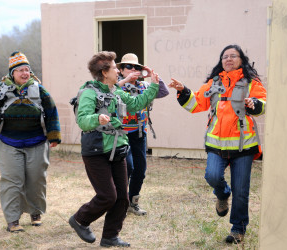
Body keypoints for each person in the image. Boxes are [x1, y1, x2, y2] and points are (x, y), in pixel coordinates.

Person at [167, 44, 267, 244]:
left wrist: (253, 104)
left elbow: (263, 104)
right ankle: (223, 194)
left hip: (243, 146)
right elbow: (196, 104)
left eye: (233, 56)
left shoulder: (251, 82)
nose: (228, 59)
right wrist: (183, 90)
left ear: (241, 60)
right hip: (217, 145)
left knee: (241, 192)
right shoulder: (214, 83)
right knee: (212, 176)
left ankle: (238, 229)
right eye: (225, 57)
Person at [68, 51, 160, 247]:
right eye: (114, 68)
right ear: (104, 72)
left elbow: (136, 104)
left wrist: (153, 84)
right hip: (96, 151)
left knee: (122, 198)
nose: (118, 71)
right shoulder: (88, 92)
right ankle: (79, 219)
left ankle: (110, 236)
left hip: (118, 149)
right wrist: (97, 118)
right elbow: (82, 120)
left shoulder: (115, 91)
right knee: (108, 196)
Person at [0, 51, 61, 233]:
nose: (24, 73)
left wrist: (54, 136)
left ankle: (35, 212)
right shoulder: (2, 91)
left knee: (36, 180)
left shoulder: (40, 90)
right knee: (11, 181)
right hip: (9, 143)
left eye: (27, 70)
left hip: (37, 142)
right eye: (20, 70)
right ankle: (12, 220)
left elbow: (52, 112)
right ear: (12, 74)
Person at [115, 53, 169, 216]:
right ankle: (120, 203)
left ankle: (133, 202)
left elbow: (163, 92)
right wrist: (123, 80)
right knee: (127, 167)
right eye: (129, 67)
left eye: (136, 67)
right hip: (121, 133)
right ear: (121, 70)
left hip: (139, 133)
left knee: (140, 169)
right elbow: (111, 91)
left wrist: (152, 75)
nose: (133, 70)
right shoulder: (117, 85)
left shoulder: (144, 86)